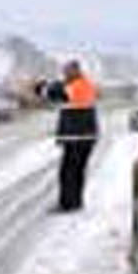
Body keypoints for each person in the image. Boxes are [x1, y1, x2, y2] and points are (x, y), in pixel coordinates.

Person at [36, 60, 99, 211]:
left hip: (77, 137)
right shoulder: (84, 84)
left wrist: (40, 87)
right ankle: (76, 202)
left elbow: (56, 93)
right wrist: (46, 86)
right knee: (77, 172)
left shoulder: (77, 86)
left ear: (75, 71)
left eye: (67, 71)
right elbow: (59, 89)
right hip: (84, 137)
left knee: (68, 172)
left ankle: (67, 204)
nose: (64, 74)